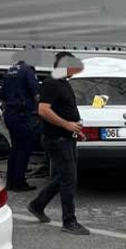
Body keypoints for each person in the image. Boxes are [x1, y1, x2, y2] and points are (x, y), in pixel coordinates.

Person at [28, 53, 90, 235]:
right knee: (69, 179)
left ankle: (37, 205)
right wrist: (67, 125)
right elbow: (43, 110)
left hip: (67, 137)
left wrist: (76, 130)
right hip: (56, 139)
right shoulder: (51, 83)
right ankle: (69, 221)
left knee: (64, 177)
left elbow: (65, 110)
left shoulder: (63, 82)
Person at [1, 48, 41, 192]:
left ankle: (11, 181)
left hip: (11, 115)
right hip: (23, 116)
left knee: (15, 148)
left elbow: (3, 95)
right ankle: (19, 182)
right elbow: (36, 94)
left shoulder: (9, 70)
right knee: (24, 149)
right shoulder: (28, 71)